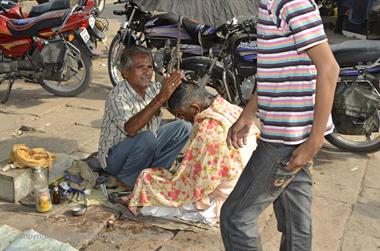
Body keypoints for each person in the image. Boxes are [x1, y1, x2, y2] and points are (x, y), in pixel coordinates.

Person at [220, 0, 340, 250]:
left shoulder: (290, 2)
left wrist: (315, 142)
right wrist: (248, 114)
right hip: (291, 133)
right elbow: (275, 72)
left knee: (235, 218)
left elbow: (329, 68)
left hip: (286, 137)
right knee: (295, 223)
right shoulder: (269, 5)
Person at [125, 83, 260, 224]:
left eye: (181, 115)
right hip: (248, 188)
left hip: (224, 198)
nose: (181, 119)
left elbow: (199, 185)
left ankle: (139, 201)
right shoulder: (230, 108)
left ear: (195, 108)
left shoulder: (208, 131)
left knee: (146, 178)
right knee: (160, 177)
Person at [97, 46, 191, 190]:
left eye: (150, 67)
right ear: (125, 72)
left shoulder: (152, 88)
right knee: (147, 137)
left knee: (183, 127)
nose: (147, 72)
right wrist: (160, 98)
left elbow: (175, 106)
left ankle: (154, 174)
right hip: (116, 159)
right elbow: (131, 129)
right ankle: (126, 180)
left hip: (144, 148)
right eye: (141, 67)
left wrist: (176, 85)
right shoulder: (117, 96)